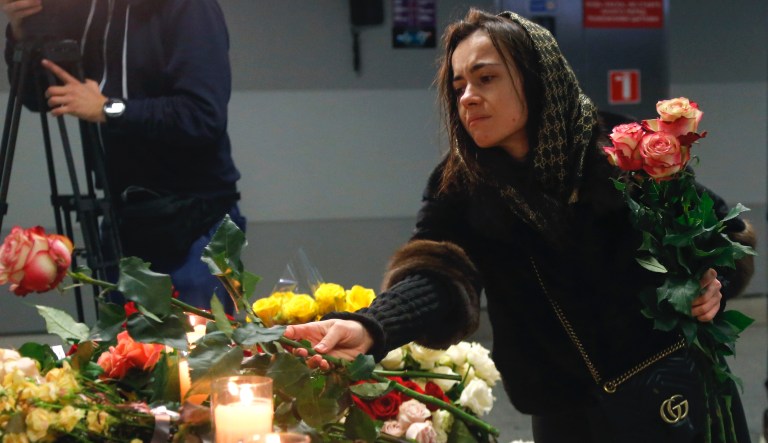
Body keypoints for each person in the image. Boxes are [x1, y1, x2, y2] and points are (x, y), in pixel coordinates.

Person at [285, 9, 757, 442]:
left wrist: (709, 281)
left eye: (486, 78)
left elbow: (721, 236)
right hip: (563, 413)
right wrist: (371, 327)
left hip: (668, 393)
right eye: (458, 86)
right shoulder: (461, 184)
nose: (468, 98)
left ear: (537, 80)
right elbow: (438, 273)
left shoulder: (623, 151)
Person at [2, 0, 244, 313]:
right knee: (124, 357)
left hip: (196, 219)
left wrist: (109, 109)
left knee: (199, 357)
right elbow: (43, 94)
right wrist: (23, 30)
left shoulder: (189, 8)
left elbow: (203, 116)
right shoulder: (91, 8)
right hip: (123, 219)